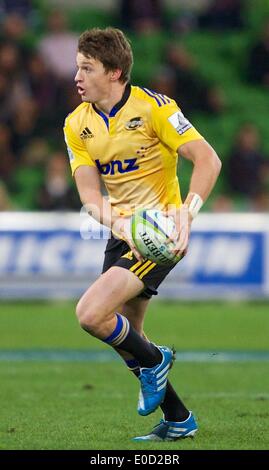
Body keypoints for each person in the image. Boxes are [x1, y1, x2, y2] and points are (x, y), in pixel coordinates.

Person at [63, 27, 221, 441]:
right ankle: (179, 418)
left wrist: (188, 214)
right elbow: (89, 194)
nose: (76, 76)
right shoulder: (76, 124)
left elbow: (207, 159)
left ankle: (157, 359)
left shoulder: (156, 109)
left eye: (86, 68)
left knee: (91, 314)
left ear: (114, 73)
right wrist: (118, 226)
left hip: (162, 232)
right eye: (77, 66)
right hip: (123, 231)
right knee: (128, 337)